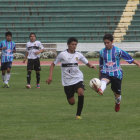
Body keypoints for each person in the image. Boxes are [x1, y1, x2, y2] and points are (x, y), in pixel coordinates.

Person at [46, 37, 96, 119]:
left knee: (81, 92)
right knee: (71, 102)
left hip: (78, 78)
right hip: (67, 81)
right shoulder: (62, 54)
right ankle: (73, 97)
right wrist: (50, 76)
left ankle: (78, 115)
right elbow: (53, 64)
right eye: (72, 44)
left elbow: (86, 62)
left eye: (75, 44)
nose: (74, 46)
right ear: (68, 45)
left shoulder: (78, 55)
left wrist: (91, 65)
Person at [95, 34, 140, 112]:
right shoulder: (102, 52)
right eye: (105, 43)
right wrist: (99, 74)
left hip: (117, 74)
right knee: (103, 81)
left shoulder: (118, 51)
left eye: (108, 42)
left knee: (117, 94)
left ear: (112, 42)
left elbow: (128, 57)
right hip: (106, 72)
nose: (106, 44)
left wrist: (137, 63)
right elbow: (101, 64)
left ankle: (117, 103)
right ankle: (101, 89)